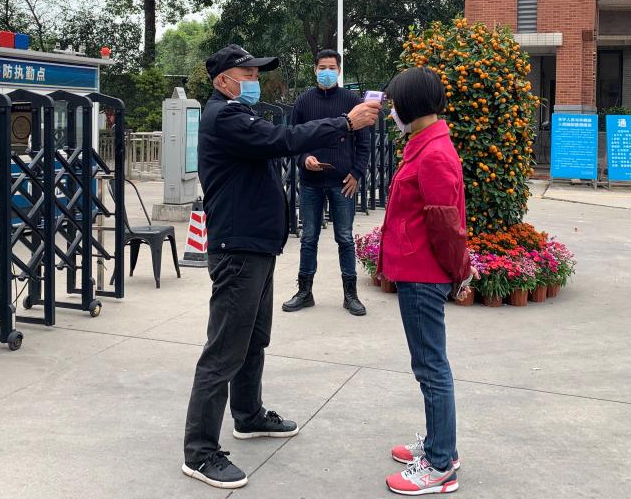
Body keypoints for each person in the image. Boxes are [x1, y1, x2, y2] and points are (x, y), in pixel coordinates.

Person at [183, 44, 381, 490]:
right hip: (238, 248)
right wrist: (345, 123)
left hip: (257, 245)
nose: (255, 80)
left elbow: (277, 141)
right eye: (248, 75)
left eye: (257, 74)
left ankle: (248, 414)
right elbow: (284, 140)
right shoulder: (225, 117)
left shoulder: (240, 114)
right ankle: (199, 451)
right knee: (223, 350)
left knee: (253, 339)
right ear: (223, 81)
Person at [379, 66, 477, 496]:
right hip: (416, 269)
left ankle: (439, 466)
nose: (392, 112)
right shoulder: (424, 144)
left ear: (411, 106)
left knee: (431, 368)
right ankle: (441, 447)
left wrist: (460, 271)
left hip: (422, 274)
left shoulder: (433, 152)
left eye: (395, 104)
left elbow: (446, 224)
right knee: (429, 366)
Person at [283, 49, 370, 316]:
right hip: (311, 182)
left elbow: (364, 143)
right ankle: (304, 291)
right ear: (314, 69)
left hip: (343, 182)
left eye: (332, 67)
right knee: (309, 237)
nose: (327, 72)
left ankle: (351, 294)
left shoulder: (352, 101)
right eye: (322, 67)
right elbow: (292, 140)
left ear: (339, 70)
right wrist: (304, 158)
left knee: (344, 237)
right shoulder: (303, 101)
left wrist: (357, 173)